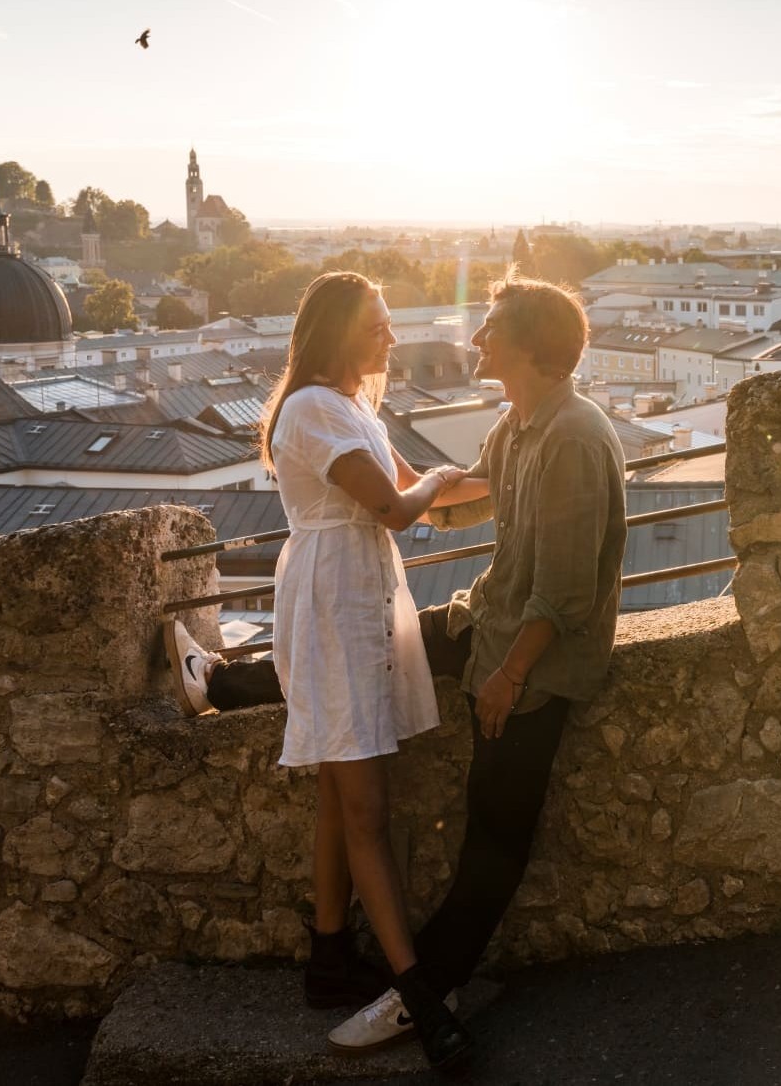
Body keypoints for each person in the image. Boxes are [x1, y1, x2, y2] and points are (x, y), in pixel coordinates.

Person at [169, 270, 625, 1059]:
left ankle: (400, 982)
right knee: (364, 753)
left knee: (468, 829)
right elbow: (430, 501)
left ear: (528, 348)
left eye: (490, 327)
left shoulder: (564, 436)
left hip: (502, 644)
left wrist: (510, 671)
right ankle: (402, 984)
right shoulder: (506, 426)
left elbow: (550, 582)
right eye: (378, 322)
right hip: (421, 609)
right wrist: (442, 486)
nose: (469, 337)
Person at [165, 269, 473, 1069]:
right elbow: (398, 506)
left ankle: (329, 957)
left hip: (358, 600)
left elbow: (426, 496)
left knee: (342, 793)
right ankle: (418, 994)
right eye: (378, 324)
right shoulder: (309, 409)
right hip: (334, 603)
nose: (393, 336)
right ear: (337, 331)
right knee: (366, 808)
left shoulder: (354, 406)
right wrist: (440, 479)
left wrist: (519, 471)